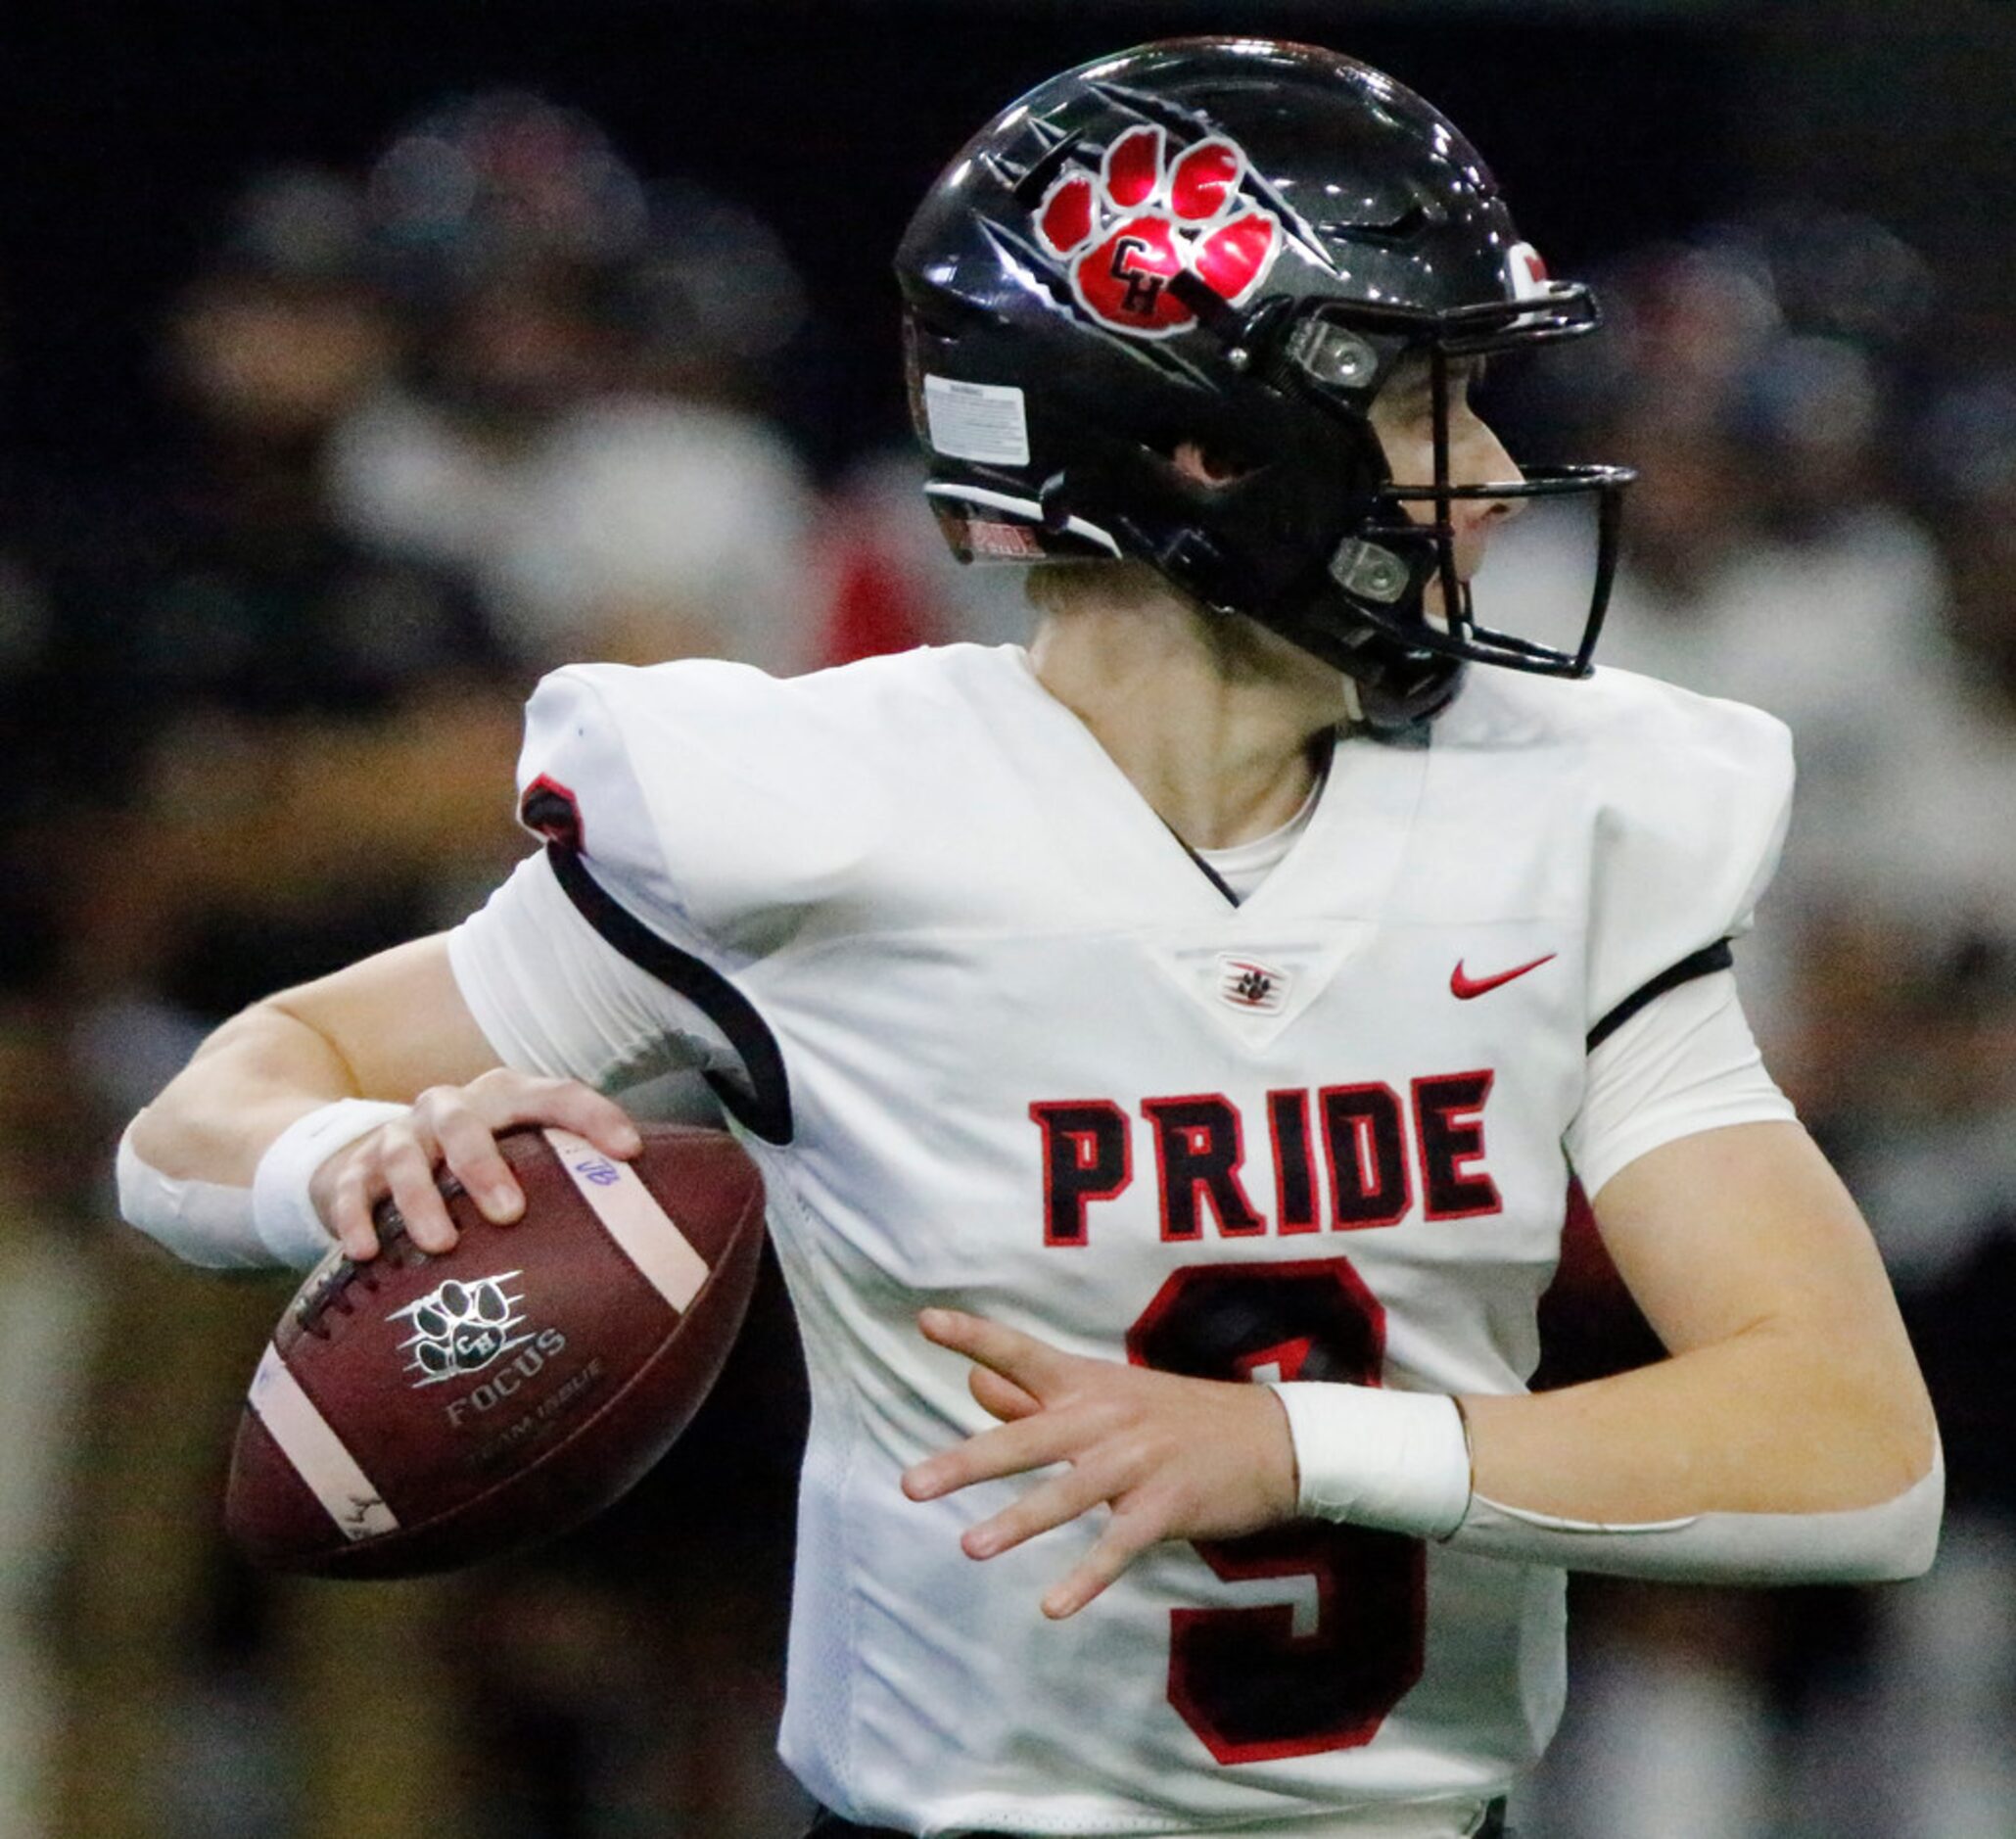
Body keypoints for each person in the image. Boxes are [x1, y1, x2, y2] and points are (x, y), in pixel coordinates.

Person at [117, 41, 1940, 1839]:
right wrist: (365, 1161)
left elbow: (1848, 1442)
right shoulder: (815, 813)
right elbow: (205, 1114)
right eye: (1420, 405)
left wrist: (1299, 1448)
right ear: (1208, 447)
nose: (1490, 482)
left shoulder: (1574, 807)